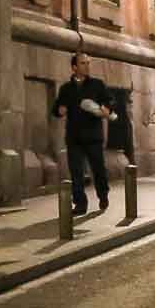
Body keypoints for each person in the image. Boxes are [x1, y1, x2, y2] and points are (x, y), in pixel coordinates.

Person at [51, 53, 115, 216]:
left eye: (88, 63)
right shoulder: (66, 88)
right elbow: (57, 108)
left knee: (98, 169)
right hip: (74, 137)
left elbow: (108, 101)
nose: (87, 66)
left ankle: (103, 195)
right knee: (76, 172)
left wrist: (106, 108)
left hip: (93, 136)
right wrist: (60, 111)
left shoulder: (97, 85)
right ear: (74, 67)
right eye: (83, 63)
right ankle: (80, 203)